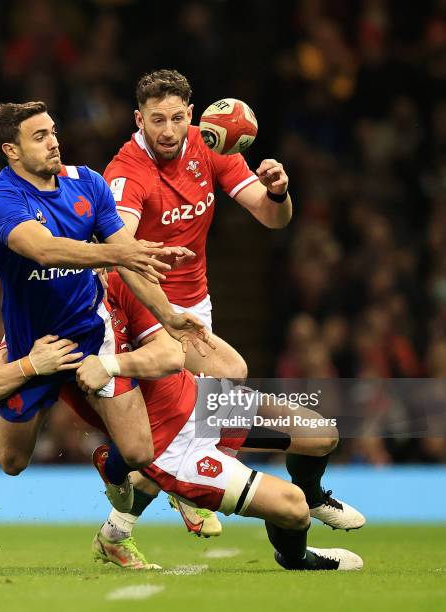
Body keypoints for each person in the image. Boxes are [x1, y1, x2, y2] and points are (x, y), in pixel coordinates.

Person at [0, 271, 364, 571]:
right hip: (172, 450)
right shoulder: (45, 328)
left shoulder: (122, 286)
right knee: (292, 509)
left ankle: (313, 494)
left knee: (323, 434)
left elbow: (171, 356)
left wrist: (109, 364)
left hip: (202, 401)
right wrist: (28, 367)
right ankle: (296, 558)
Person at [101, 69, 338, 538]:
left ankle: (120, 517)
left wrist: (278, 190)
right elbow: (119, 252)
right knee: (230, 373)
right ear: (138, 119)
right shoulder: (126, 172)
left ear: (190, 114)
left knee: (194, 416)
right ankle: (180, 484)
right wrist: (163, 308)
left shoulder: (211, 146)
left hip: (196, 304)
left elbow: (272, 219)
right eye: (155, 120)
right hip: (144, 305)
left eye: (174, 118)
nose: (166, 130)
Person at [0, 100, 210, 509]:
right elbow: (46, 251)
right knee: (12, 462)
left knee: (139, 451)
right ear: (11, 151)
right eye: (39, 137)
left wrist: (168, 315)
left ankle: (114, 470)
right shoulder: (0, 201)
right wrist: (119, 254)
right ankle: (3, 405)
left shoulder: (87, 182)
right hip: (35, 344)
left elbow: (132, 262)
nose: (53, 142)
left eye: (52, 131)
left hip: (91, 331)